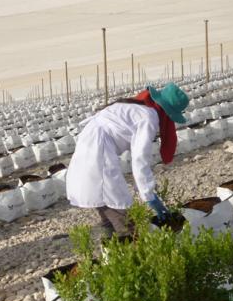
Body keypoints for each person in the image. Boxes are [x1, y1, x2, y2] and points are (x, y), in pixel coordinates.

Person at [66, 82, 189, 237]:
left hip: (89, 143)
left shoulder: (137, 108)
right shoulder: (148, 117)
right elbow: (139, 160)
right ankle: (132, 252)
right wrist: (149, 196)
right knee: (118, 208)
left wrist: (146, 190)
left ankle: (112, 251)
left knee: (104, 203)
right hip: (98, 150)